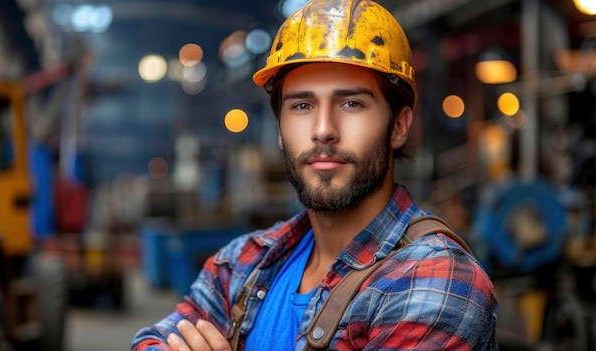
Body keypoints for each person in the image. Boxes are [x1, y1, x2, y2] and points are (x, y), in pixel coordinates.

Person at [131, 0, 498, 350]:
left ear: (399, 126)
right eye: (302, 105)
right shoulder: (243, 262)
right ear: (279, 128)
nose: (323, 129)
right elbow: (151, 341)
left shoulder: (436, 280)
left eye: (351, 103)